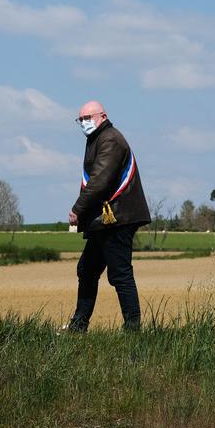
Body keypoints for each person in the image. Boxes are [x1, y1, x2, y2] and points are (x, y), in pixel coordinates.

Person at [65, 101, 150, 331]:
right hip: (105, 220)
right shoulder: (97, 139)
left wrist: (77, 209)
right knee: (87, 270)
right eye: (80, 119)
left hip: (118, 218)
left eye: (88, 118)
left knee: (120, 273)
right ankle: (78, 326)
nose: (84, 123)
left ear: (102, 116)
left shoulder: (110, 139)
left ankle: (132, 328)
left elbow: (99, 181)